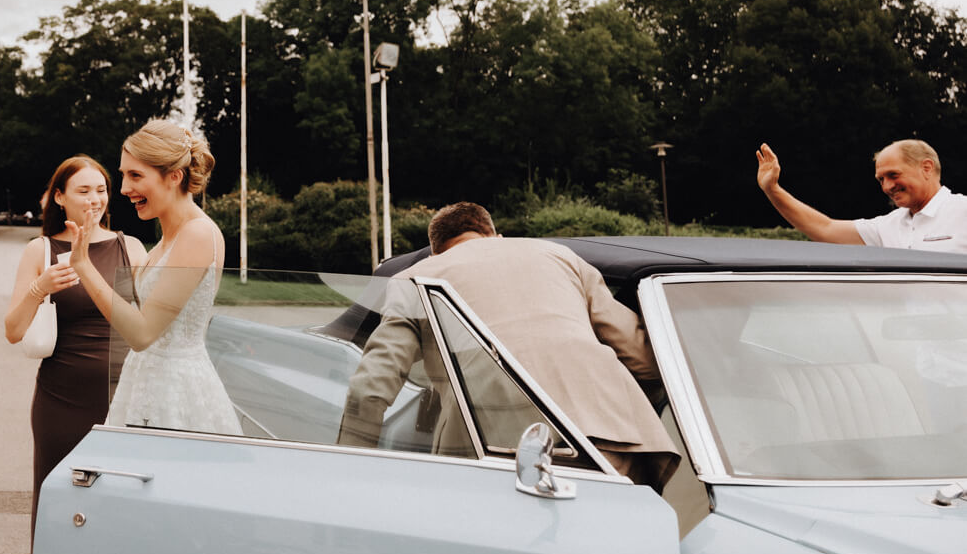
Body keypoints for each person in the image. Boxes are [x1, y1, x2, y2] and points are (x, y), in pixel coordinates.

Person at [339, 202, 681, 491]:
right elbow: (644, 360)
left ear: (436, 250)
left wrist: (346, 472)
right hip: (607, 436)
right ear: (495, 235)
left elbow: (370, 389)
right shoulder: (561, 256)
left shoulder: (417, 276)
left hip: (487, 448)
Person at [66, 120, 240, 435]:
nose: (123, 189)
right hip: (145, 381)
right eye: (123, 175)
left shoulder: (198, 234)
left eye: (136, 175)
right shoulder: (166, 238)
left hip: (177, 392)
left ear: (173, 176)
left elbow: (143, 333)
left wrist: (84, 266)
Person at [6, 155, 146, 535]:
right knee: (58, 500)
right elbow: (13, 330)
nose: (94, 199)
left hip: (122, 395)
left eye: (101, 190)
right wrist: (41, 288)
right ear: (59, 197)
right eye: (83, 191)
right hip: (60, 400)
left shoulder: (129, 247)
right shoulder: (41, 250)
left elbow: (151, 326)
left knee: (121, 504)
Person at [756, 140, 967, 252]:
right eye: (881, 179)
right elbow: (825, 229)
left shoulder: (962, 211)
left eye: (893, 175)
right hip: (901, 332)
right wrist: (773, 190)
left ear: (927, 168)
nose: (887, 187)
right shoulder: (888, 225)